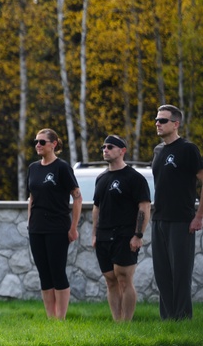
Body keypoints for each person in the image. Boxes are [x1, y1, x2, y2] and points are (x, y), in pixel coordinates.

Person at [151, 105, 203, 320]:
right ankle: (168, 321)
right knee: (162, 274)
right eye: (156, 120)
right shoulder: (158, 150)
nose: (157, 124)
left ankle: (182, 319)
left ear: (175, 124)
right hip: (159, 219)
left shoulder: (188, 149)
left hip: (182, 220)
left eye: (162, 120)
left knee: (180, 273)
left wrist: (198, 216)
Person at [91, 135, 151, 322]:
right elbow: (96, 208)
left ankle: (127, 323)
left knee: (124, 279)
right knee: (110, 281)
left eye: (110, 146)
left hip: (125, 235)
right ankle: (118, 323)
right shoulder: (101, 178)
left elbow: (144, 207)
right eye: (103, 146)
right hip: (104, 236)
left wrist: (138, 235)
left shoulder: (134, 178)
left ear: (122, 150)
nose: (105, 149)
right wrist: (94, 234)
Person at [26, 128, 82, 320]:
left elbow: (77, 197)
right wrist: (29, 221)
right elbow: (31, 197)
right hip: (37, 227)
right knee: (44, 273)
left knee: (57, 271)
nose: (38, 145)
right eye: (36, 142)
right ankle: (51, 319)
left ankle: (61, 318)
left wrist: (73, 227)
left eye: (42, 142)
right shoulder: (33, 168)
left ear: (54, 144)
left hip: (58, 227)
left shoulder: (62, 167)